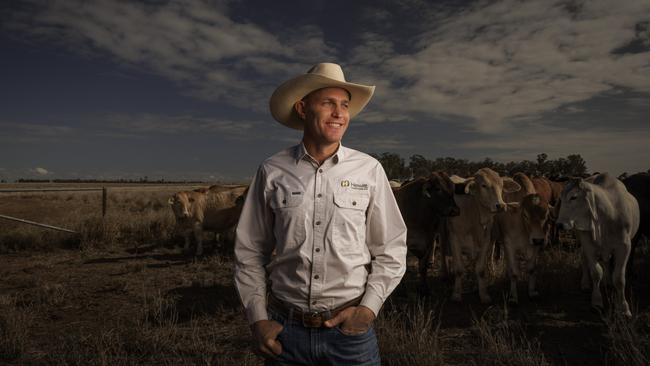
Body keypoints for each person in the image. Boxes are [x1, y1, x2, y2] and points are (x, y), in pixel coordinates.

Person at [234, 62, 407, 365]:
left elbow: (392, 248)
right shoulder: (272, 170)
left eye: (344, 105)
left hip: (349, 335)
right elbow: (249, 251)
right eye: (328, 103)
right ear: (302, 108)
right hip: (285, 333)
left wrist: (367, 310)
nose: (340, 113)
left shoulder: (369, 170)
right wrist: (258, 319)